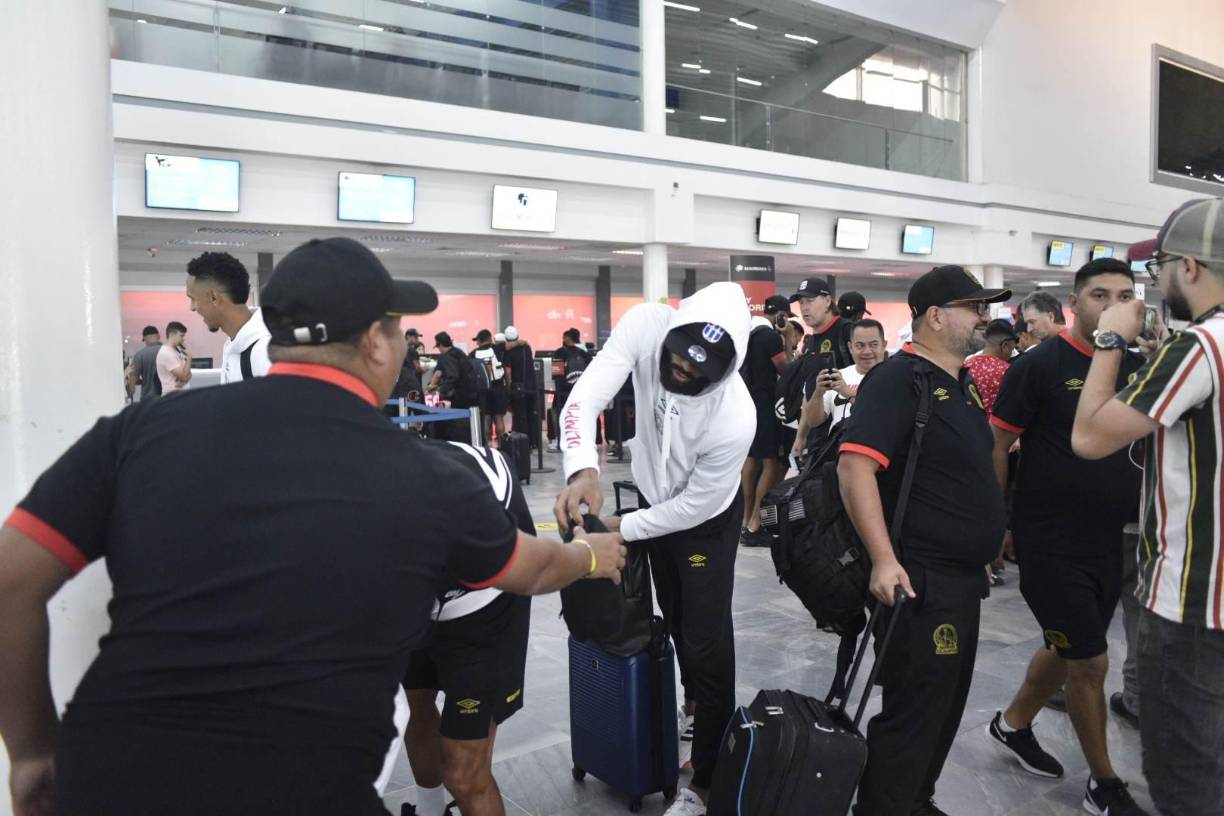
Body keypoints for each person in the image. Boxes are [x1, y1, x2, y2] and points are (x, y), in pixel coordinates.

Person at [0, 236, 627, 816]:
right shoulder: (428, 478)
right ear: (376, 344)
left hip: (109, 779)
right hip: (304, 788)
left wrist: (30, 752)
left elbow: (9, 582)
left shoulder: (140, 433)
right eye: (398, 331)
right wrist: (592, 555)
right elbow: (531, 569)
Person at [553, 281, 754, 816]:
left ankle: (707, 779)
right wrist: (583, 468)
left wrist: (625, 525)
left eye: (697, 371)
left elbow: (692, 508)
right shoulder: (646, 325)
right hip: (651, 498)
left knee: (706, 640)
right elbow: (584, 398)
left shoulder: (735, 416)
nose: (681, 371)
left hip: (703, 521)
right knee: (672, 615)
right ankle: (694, 709)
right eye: (677, 358)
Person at [1071, 198, 1224, 816]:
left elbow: (1090, 436)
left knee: (1188, 782)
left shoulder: (1200, 347)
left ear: (1189, 267)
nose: (1154, 283)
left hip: (1192, 605)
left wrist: (1110, 338)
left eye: (1157, 268)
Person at [839, 265, 1009, 816]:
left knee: (944, 703)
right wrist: (883, 559)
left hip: (959, 581)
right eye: (974, 307)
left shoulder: (959, 382)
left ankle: (915, 799)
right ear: (935, 316)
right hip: (919, 579)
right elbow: (855, 468)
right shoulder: (897, 380)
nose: (984, 317)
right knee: (914, 711)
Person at [985, 258, 1148, 816]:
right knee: (1090, 662)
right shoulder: (1040, 364)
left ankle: (1012, 724)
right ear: (1075, 305)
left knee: (1069, 644)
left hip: (1111, 537)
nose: (1114, 306)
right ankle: (1103, 784)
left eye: (1124, 296)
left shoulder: (1138, 365)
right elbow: (997, 443)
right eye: (1100, 295)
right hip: (1049, 537)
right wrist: (998, 523)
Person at [402, 443, 535, 816]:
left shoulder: (466, 493)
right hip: (417, 596)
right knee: (416, 703)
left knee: (464, 773)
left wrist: (587, 557)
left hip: (488, 604)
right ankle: (429, 811)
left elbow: (540, 566)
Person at [739, 295, 791, 547]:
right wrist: (788, 339)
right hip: (764, 405)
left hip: (746, 404)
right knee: (771, 463)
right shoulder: (769, 337)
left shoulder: (747, 334)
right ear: (780, 315)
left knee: (751, 461)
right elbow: (787, 370)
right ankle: (755, 524)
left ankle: (745, 519)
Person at [791, 317, 886, 455]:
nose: (867, 351)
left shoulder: (896, 376)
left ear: (884, 345)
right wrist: (818, 393)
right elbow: (814, 421)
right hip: (837, 453)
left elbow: (881, 417)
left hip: (877, 452)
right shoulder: (838, 375)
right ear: (850, 347)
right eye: (860, 346)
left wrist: (847, 392)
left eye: (873, 345)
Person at [184, 251, 271, 383]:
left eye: (193, 299)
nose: (192, 308)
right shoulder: (232, 344)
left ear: (214, 297)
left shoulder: (264, 351)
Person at [426, 331, 477, 443]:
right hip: (472, 393)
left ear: (440, 345)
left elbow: (452, 376)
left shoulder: (447, 357)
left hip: (460, 395)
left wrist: (440, 390)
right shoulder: (459, 352)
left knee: (456, 422)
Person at [549, 328, 591, 452]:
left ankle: (559, 439)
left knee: (557, 412)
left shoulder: (559, 352)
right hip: (580, 389)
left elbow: (556, 373)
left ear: (567, 338)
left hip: (563, 389)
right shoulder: (584, 353)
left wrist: (558, 386)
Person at [964, 319, 1018, 415]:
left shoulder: (965, 366)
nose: (1010, 354)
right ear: (1004, 345)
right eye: (1011, 349)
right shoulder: (1007, 371)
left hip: (967, 421)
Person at [502, 326, 539, 448]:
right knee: (531, 414)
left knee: (520, 415)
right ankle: (534, 442)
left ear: (506, 338)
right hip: (531, 386)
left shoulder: (508, 352)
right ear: (517, 336)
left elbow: (508, 372)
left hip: (518, 388)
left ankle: (523, 443)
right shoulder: (526, 348)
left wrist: (509, 387)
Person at [471, 329, 510, 443]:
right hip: (498, 386)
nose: (476, 343)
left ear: (480, 340)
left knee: (486, 418)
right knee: (499, 417)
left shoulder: (473, 353)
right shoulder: (499, 349)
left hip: (483, 389)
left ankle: (486, 446)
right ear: (490, 338)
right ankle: (502, 445)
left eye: (477, 341)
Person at [127, 325, 163, 400]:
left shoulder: (140, 355)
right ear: (158, 336)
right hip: (168, 399)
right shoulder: (169, 351)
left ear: (145, 338)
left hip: (148, 400)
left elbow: (133, 379)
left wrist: (142, 382)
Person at [156, 320, 192, 393]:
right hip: (173, 397)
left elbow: (189, 374)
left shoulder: (177, 350)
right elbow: (184, 376)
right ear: (172, 335)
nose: (183, 339)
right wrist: (189, 358)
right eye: (181, 336)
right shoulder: (166, 353)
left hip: (180, 395)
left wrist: (184, 381)